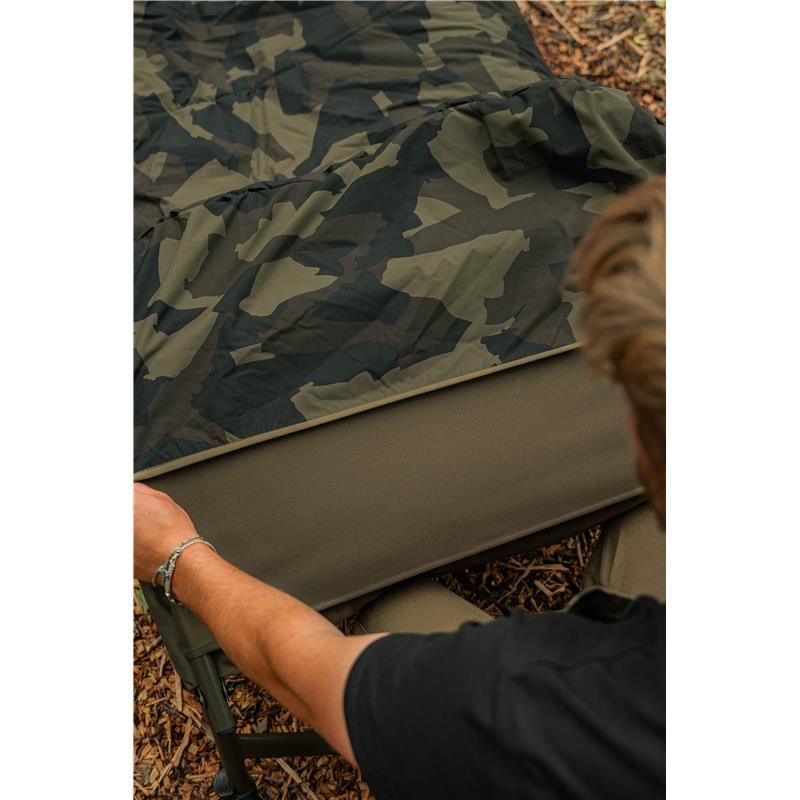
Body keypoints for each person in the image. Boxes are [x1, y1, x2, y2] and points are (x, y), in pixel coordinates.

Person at [134, 177, 666, 799]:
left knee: (363, 573)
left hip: (567, 719)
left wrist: (176, 557)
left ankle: (374, 582)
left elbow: (310, 675)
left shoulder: (535, 716)